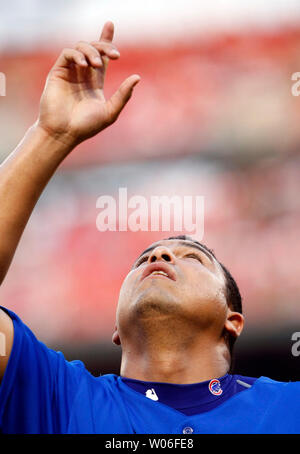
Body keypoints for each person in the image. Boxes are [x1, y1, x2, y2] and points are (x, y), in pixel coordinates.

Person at [0, 22, 299, 435]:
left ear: (233, 320)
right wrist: (52, 135)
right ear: (116, 331)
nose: (159, 256)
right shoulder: (59, 398)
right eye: (144, 258)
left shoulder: (289, 408)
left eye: (193, 258)